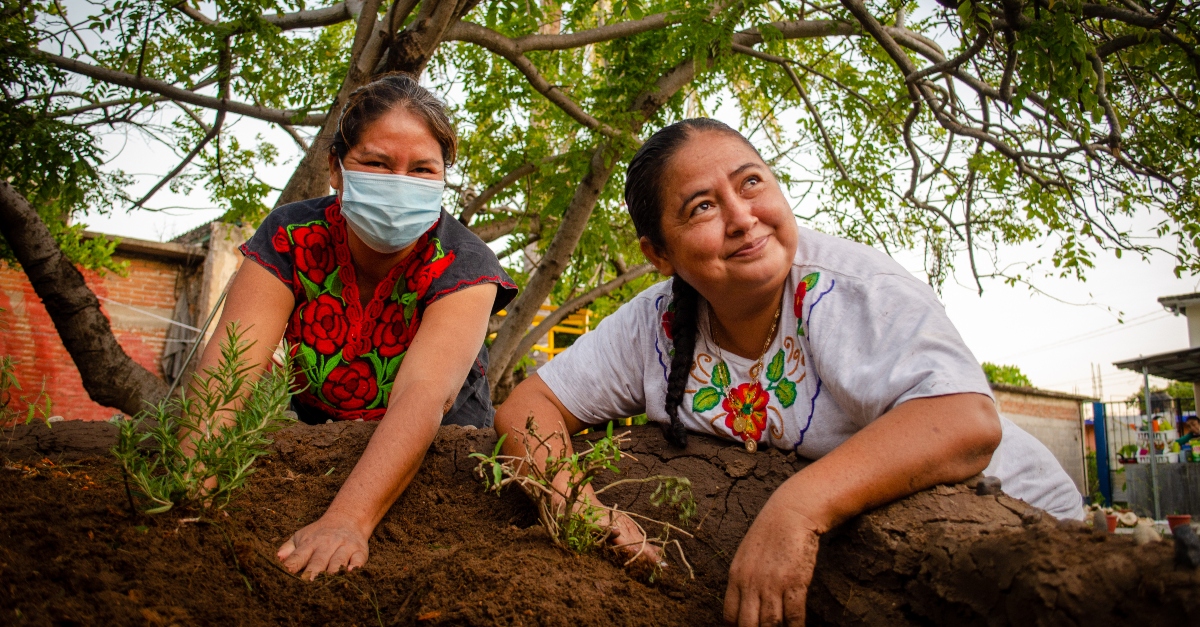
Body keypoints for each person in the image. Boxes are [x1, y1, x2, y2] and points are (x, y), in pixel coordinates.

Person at [495, 118, 1082, 626]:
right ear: (659, 255)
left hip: (1016, 533)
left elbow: (966, 420)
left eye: (752, 183)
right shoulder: (653, 325)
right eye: (702, 206)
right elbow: (527, 408)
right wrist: (579, 506)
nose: (742, 218)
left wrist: (797, 508)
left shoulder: (850, 291)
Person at [192, 73, 516, 580]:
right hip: (320, 441)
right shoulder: (291, 236)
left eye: (423, 169)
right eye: (377, 163)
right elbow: (229, 371)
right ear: (338, 170)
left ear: (443, 179)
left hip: (438, 459)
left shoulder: (466, 264)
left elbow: (423, 396)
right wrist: (193, 477)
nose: (400, 183)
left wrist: (347, 521)